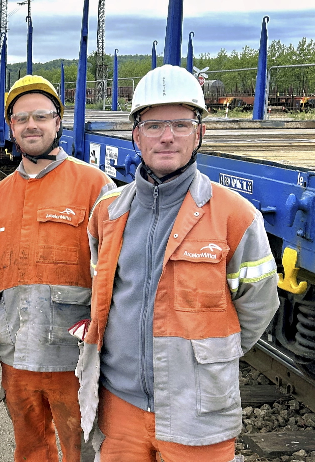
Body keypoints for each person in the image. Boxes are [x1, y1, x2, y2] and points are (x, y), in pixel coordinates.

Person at [77, 64, 280, 461]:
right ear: (136, 135)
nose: (167, 136)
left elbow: (259, 305)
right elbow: (103, 296)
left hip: (198, 413)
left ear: (199, 133)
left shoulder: (234, 216)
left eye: (181, 124)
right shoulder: (108, 213)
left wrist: (207, 363)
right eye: (153, 125)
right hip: (120, 408)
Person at [0, 75, 115, 462]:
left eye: (42, 116)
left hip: (76, 360)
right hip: (16, 356)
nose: (32, 124)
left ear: (58, 122)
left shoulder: (96, 186)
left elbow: (119, 275)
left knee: (85, 451)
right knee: (30, 450)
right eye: (22, 117)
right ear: (11, 126)